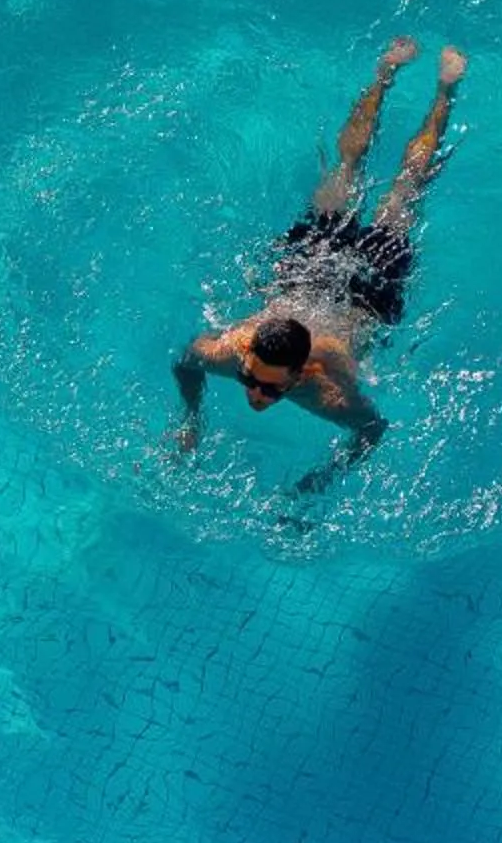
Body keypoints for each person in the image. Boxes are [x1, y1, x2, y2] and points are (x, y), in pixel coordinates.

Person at [171, 38, 466, 498]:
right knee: (348, 164)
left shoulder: (327, 394)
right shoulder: (233, 353)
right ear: (247, 356)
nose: (255, 395)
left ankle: (446, 90)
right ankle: (384, 75)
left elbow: (373, 430)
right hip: (310, 269)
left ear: (299, 375)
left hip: (370, 288)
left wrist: (318, 481)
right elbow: (186, 359)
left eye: (270, 390)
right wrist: (192, 423)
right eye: (252, 379)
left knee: (408, 184)